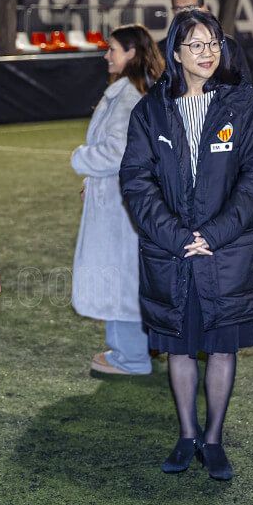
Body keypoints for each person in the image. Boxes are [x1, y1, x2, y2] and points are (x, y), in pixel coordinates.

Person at [120, 9, 253, 481]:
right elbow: (136, 180)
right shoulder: (150, 110)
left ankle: (214, 440)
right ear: (176, 53)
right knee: (182, 349)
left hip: (226, 252)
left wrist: (215, 234)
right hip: (174, 254)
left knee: (222, 348)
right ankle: (187, 435)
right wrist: (178, 237)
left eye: (214, 44)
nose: (208, 53)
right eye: (197, 45)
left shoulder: (241, 103)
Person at [72, 24, 164, 377]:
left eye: (112, 48)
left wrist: (81, 158)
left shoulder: (128, 97)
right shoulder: (132, 92)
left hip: (122, 204)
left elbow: (118, 152)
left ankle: (132, 356)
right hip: (119, 197)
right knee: (121, 276)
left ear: (130, 53)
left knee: (122, 279)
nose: (106, 54)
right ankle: (126, 349)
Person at [165, 0, 252, 85]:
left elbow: (245, 84)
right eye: (178, 9)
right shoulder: (162, 49)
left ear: (204, 7)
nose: (207, 53)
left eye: (191, 7)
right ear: (177, 55)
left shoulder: (229, 46)